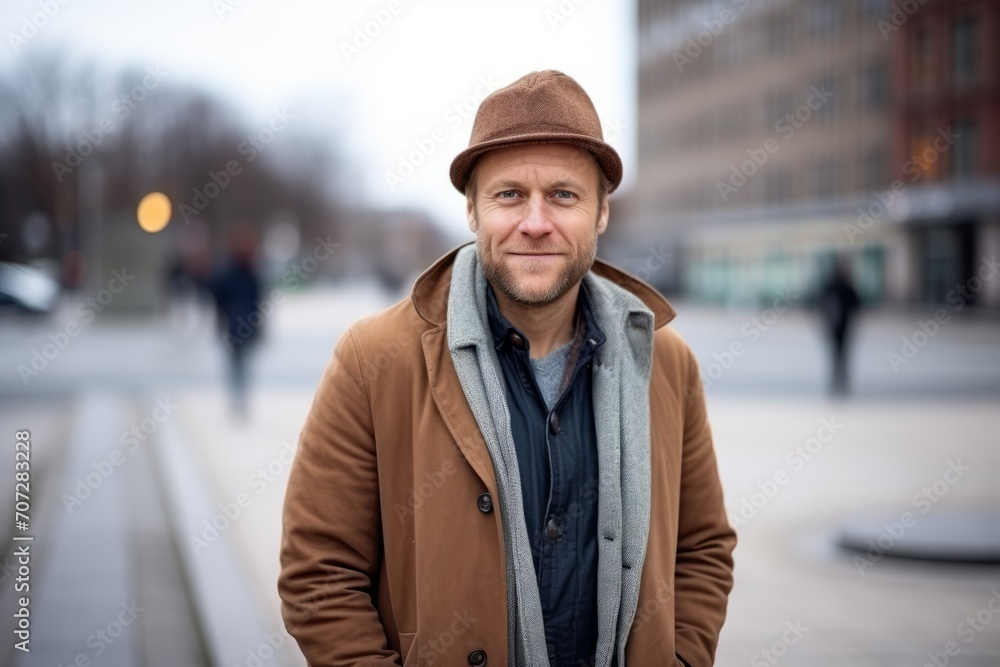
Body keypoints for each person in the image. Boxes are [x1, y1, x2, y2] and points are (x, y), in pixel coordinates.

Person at [278, 70, 736, 667]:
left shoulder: (667, 362)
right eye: (509, 194)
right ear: (472, 211)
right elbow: (319, 572)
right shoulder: (374, 358)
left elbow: (703, 547)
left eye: (564, 195)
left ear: (601, 214)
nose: (536, 222)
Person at [207, 230, 262, 417]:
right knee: (242, 364)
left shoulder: (229, 272)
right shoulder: (251, 272)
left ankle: (238, 399)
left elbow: (218, 298)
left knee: (235, 364)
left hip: (233, 324)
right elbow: (258, 301)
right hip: (246, 324)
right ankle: (240, 399)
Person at [818, 255, 860, 396]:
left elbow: (822, 304)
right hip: (841, 326)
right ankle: (840, 377)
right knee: (841, 352)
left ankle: (838, 377)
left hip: (835, 326)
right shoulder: (844, 287)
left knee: (836, 352)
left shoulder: (833, 287)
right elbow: (857, 304)